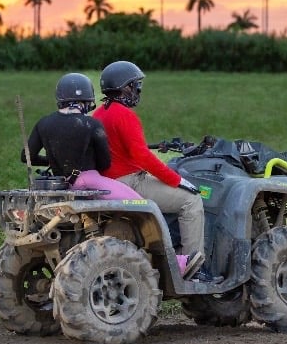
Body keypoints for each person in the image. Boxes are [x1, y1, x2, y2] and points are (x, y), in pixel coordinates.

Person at [92, 60, 217, 283]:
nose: (138, 89)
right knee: (191, 201)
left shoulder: (99, 114)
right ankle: (194, 267)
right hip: (130, 181)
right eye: (134, 84)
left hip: (110, 181)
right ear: (124, 87)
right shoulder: (125, 115)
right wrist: (177, 180)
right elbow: (142, 156)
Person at [22, 72, 140, 201]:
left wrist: (53, 160)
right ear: (86, 100)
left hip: (60, 184)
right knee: (140, 203)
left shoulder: (43, 123)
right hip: (89, 181)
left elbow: (27, 157)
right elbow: (104, 163)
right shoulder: (92, 124)